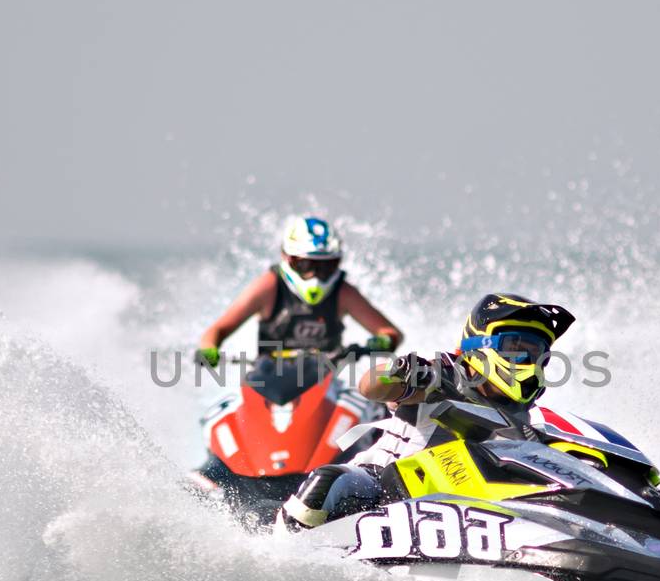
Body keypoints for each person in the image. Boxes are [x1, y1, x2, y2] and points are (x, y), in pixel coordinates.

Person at [282, 292, 575, 528]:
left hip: (460, 508)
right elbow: (370, 385)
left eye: (536, 352)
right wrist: (402, 372)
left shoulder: (528, 416)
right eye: (516, 347)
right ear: (482, 343)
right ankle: (281, 562)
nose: (527, 359)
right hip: (383, 486)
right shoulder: (441, 370)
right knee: (328, 480)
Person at [197, 215, 402, 368]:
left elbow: (391, 333)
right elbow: (217, 330)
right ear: (289, 258)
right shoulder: (268, 286)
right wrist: (209, 349)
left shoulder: (344, 293)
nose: (315, 274)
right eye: (306, 264)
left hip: (326, 384)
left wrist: (382, 341)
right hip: (268, 379)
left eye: (325, 266)